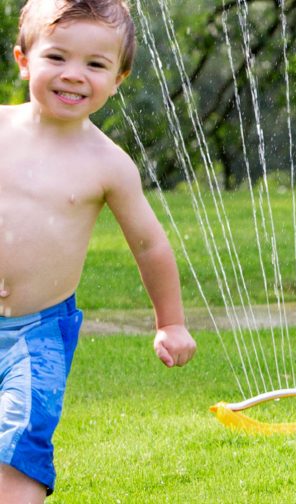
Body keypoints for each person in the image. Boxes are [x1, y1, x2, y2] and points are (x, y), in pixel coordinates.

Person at [0, 0, 194, 499]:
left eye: (95, 64)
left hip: (37, 332)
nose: (74, 75)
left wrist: (170, 322)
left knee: (22, 440)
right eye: (56, 57)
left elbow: (150, 244)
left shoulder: (108, 165)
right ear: (24, 60)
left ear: (118, 79)